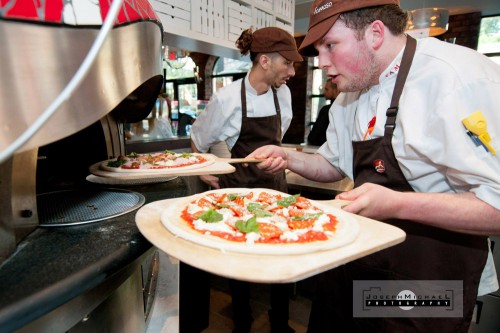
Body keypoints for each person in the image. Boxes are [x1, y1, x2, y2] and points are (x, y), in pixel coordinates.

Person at [247, 0, 500, 332]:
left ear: (375, 33)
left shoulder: (455, 77)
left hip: (430, 279)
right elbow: (332, 165)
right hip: (362, 261)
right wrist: (288, 157)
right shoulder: (348, 94)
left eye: (330, 46)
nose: (321, 63)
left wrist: (395, 203)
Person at [190, 26, 303, 333]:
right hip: (238, 196)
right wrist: (204, 171)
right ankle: (242, 323)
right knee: (239, 265)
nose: (292, 71)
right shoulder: (226, 99)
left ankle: (280, 324)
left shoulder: (284, 95)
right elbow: (198, 141)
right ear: (264, 61)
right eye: (287, 63)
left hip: (276, 193)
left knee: (283, 261)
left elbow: (277, 139)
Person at [307, 78, 339, 146]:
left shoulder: (326, 110)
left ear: (335, 90)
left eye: (327, 89)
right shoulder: (347, 109)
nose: (324, 92)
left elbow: (313, 137)